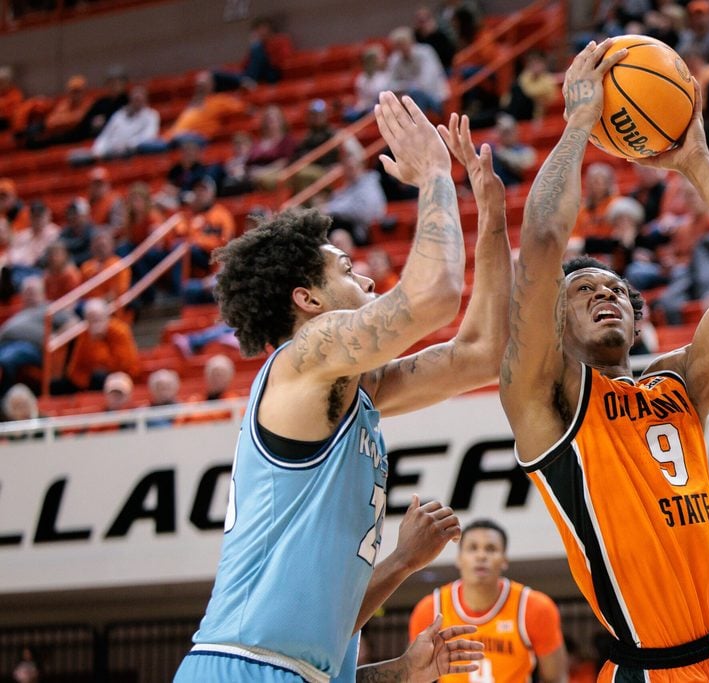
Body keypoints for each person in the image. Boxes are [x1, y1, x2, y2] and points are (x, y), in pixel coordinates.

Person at [174, 93, 511, 683]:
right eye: (346, 269)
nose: (368, 276)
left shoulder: (352, 392)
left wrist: (490, 216)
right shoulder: (306, 355)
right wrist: (434, 173)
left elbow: (481, 355)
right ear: (308, 300)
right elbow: (431, 298)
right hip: (238, 667)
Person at [500, 40, 709, 681]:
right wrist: (578, 122)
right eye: (584, 292)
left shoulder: (679, 383)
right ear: (555, 321)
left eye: (616, 291)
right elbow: (544, 242)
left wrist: (698, 162)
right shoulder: (548, 403)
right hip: (653, 670)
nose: (606, 294)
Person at [408, 519, 568, 683]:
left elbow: (555, 678)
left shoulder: (534, 607)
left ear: (504, 560)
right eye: (472, 548)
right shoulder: (430, 609)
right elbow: (414, 676)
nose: (481, 555)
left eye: (491, 549)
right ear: (459, 558)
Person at [87, 85, 160, 161]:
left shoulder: (151, 115)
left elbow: (149, 136)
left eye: (139, 99)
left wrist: (128, 144)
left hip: (133, 152)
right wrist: (97, 150)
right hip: (111, 152)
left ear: (145, 100)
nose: (136, 102)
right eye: (134, 99)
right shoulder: (119, 115)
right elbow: (105, 135)